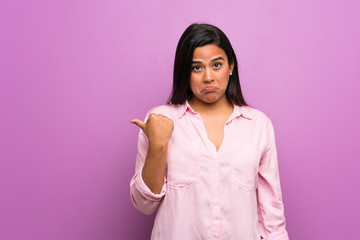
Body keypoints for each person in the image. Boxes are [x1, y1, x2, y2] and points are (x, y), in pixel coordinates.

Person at [130, 23, 289, 240]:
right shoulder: (161, 120)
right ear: (185, 72)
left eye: (217, 65)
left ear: (231, 66)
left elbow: (272, 218)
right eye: (196, 67)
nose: (208, 77)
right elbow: (144, 204)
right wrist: (158, 146)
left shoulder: (258, 125)